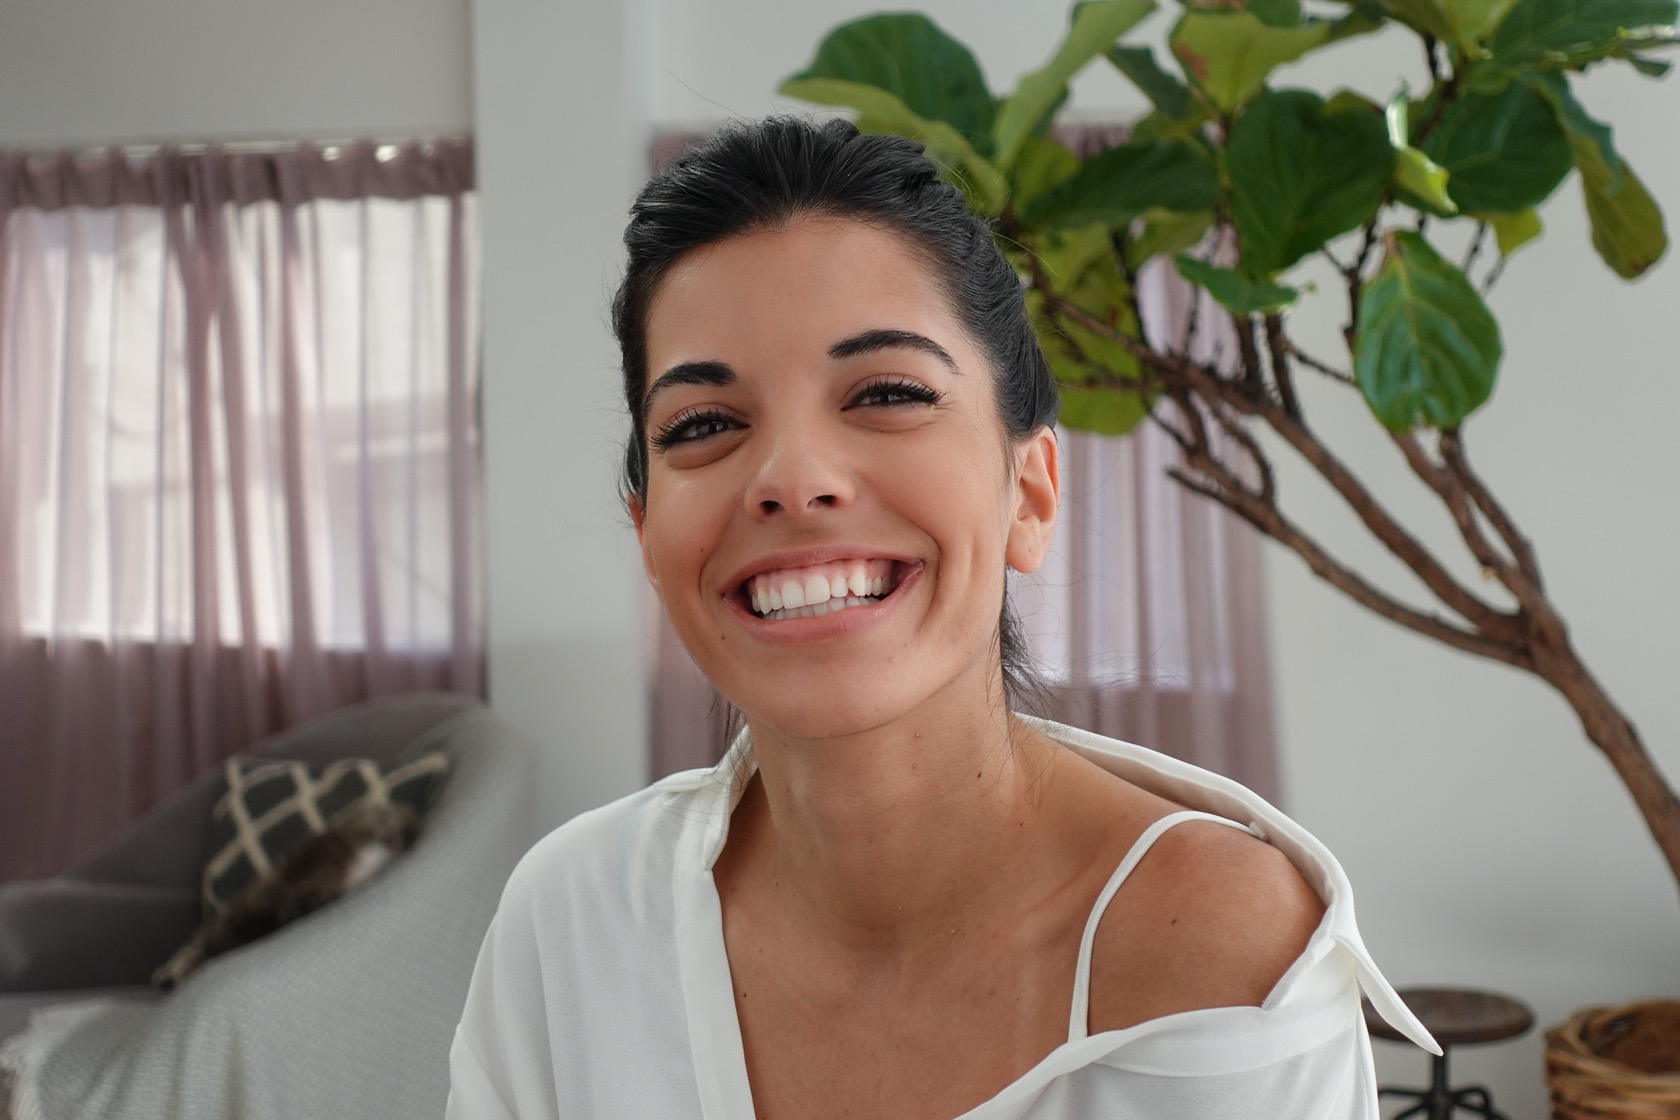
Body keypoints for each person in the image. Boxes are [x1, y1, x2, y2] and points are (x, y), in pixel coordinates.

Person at [445, 117, 1436, 1119]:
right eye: (703, 424)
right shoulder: (573, 919)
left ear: (1030, 493)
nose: (792, 478)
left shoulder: (1221, 949)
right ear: (648, 531)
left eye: (885, 392)